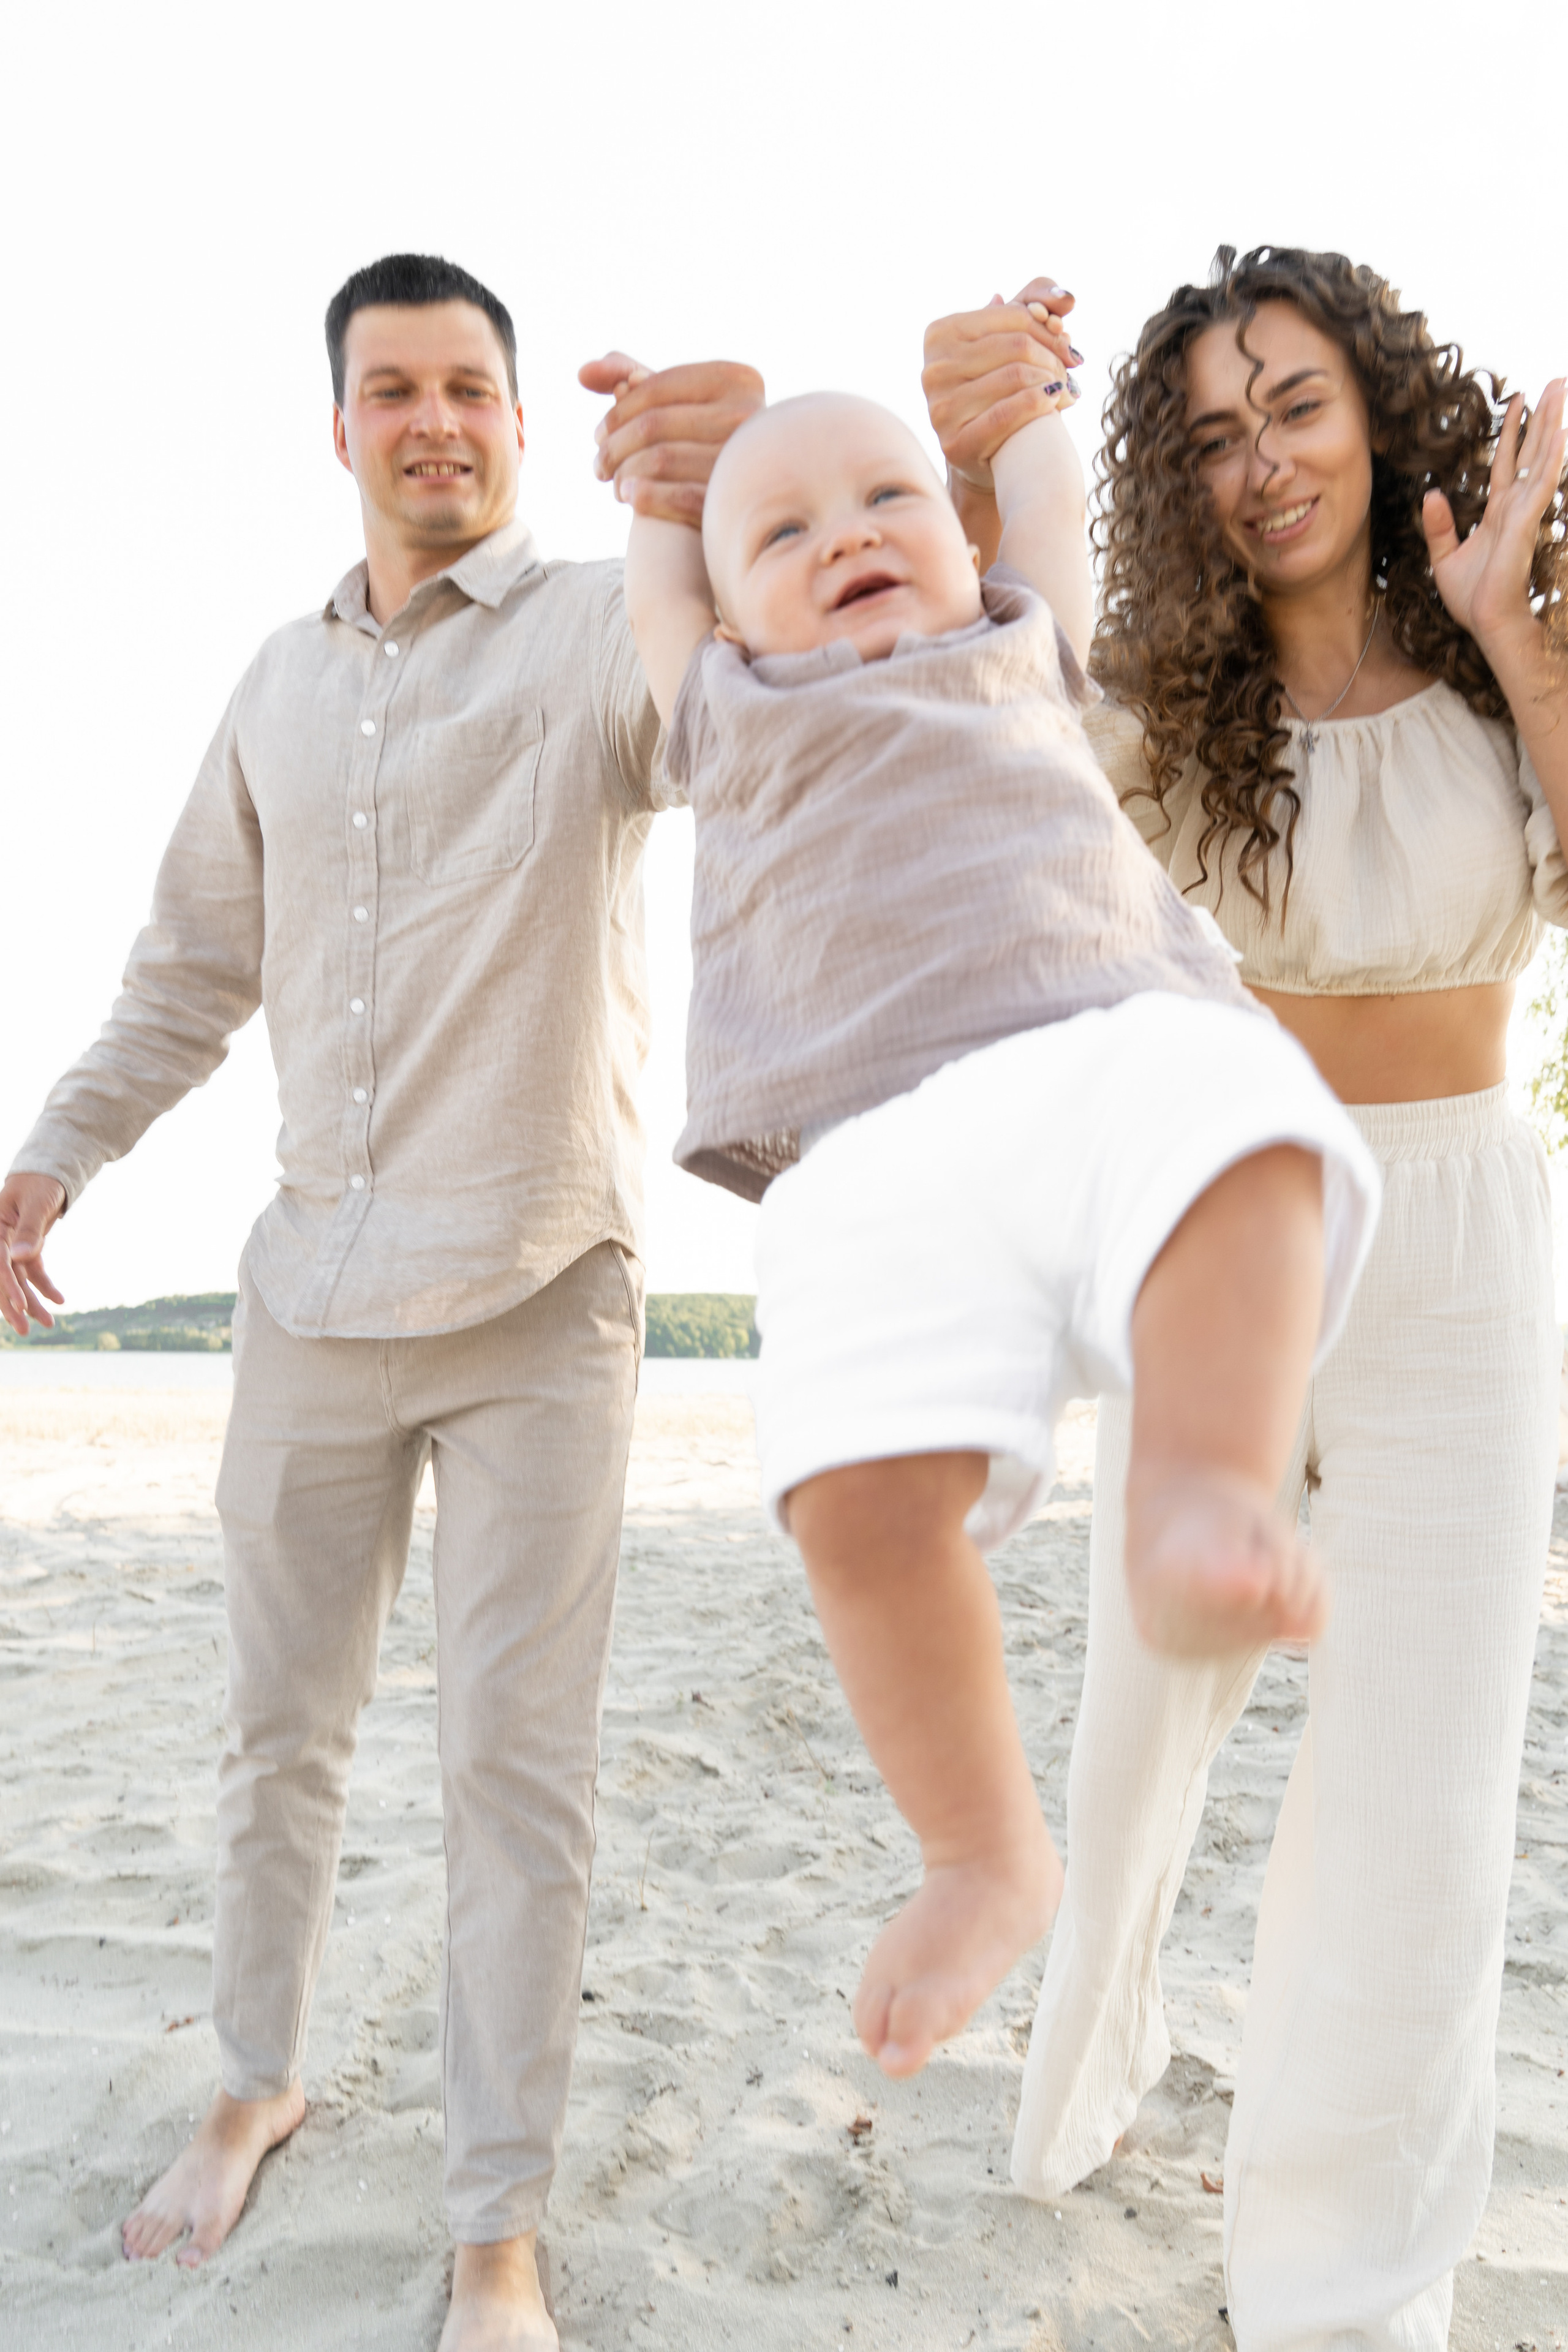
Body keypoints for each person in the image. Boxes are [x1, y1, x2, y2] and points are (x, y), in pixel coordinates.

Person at [0, 251, 760, 2351]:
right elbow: (184, 971)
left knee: (519, 1779)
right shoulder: (272, 681)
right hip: (310, 1294)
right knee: (280, 1742)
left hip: (542, 1288)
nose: (437, 420)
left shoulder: (613, 621)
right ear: (340, 425)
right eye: (394, 389)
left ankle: (495, 2229)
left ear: (518, 419)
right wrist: (58, 1149)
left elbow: (737, 702)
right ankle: (257, 2086)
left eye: (472, 389)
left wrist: (719, 479)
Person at [922, 247, 1568, 2348]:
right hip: (1226, 1236)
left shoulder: (1504, 663)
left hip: (1465, 1244)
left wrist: (1523, 656)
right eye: (1210, 431)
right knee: (1138, 1735)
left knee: (1422, 1790)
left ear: (1380, 412)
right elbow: (958, 705)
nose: (1261, 459)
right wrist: (963, 447)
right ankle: (1089, 2065)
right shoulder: (1158, 702)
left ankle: (1342, 2286)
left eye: (1293, 403)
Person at [599, 368, 1380, 2084]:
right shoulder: (727, 699)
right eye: (782, 533)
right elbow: (659, 580)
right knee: (850, 1486)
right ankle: (980, 1847)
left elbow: (1043, 492)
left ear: (962, 541)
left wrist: (1020, 379)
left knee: (1250, 1131)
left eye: (886, 498)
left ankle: (1200, 1485)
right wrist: (667, 480)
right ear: (728, 610)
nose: (847, 538)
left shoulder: (1021, 631)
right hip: (871, 1151)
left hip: (1097, 1045)